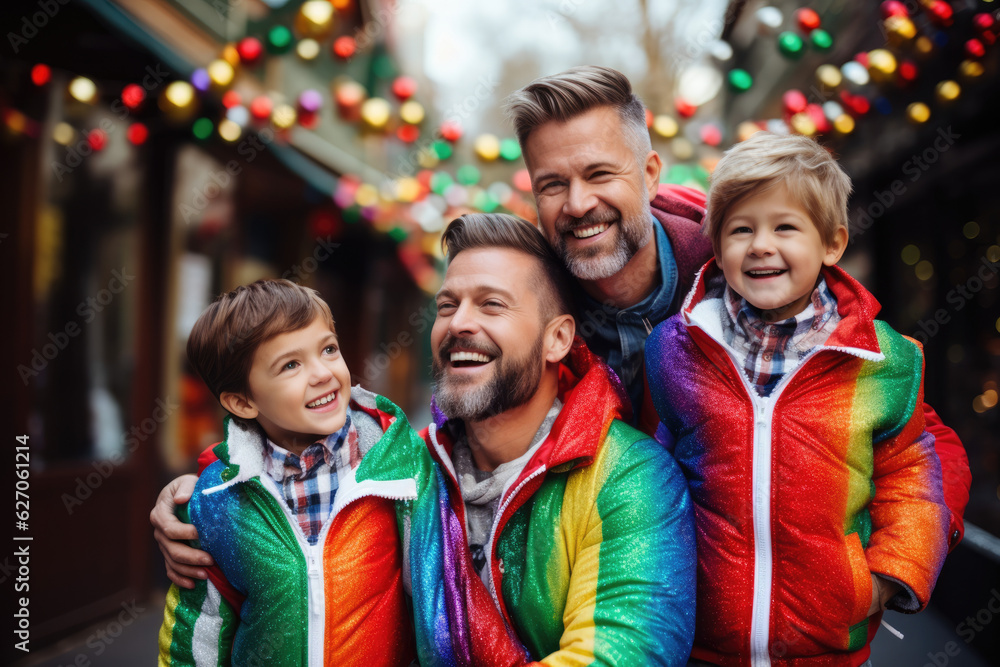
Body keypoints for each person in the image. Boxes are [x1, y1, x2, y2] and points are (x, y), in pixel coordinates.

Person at [504, 65, 970, 551]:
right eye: (552, 185)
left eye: (599, 173)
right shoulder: (523, 309)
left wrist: (891, 576)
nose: (578, 204)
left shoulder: (752, 270)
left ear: (649, 175)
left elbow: (918, 440)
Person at [644, 132, 950, 665]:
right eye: (741, 229)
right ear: (717, 246)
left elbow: (910, 471)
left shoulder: (886, 360)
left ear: (831, 243)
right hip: (703, 644)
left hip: (829, 646)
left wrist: (886, 579)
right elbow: (661, 469)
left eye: (785, 226)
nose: (761, 245)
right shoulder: (675, 348)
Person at [422, 212, 696, 664]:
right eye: (447, 306)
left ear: (559, 339)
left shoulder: (630, 478)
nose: (458, 324)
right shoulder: (403, 471)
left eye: (492, 304)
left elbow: (619, 655)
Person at [157, 279, 440, 666]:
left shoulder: (400, 469)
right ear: (242, 402)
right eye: (291, 365)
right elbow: (199, 630)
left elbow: (435, 603)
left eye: (328, 349)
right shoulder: (217, 500)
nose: (323, 373)